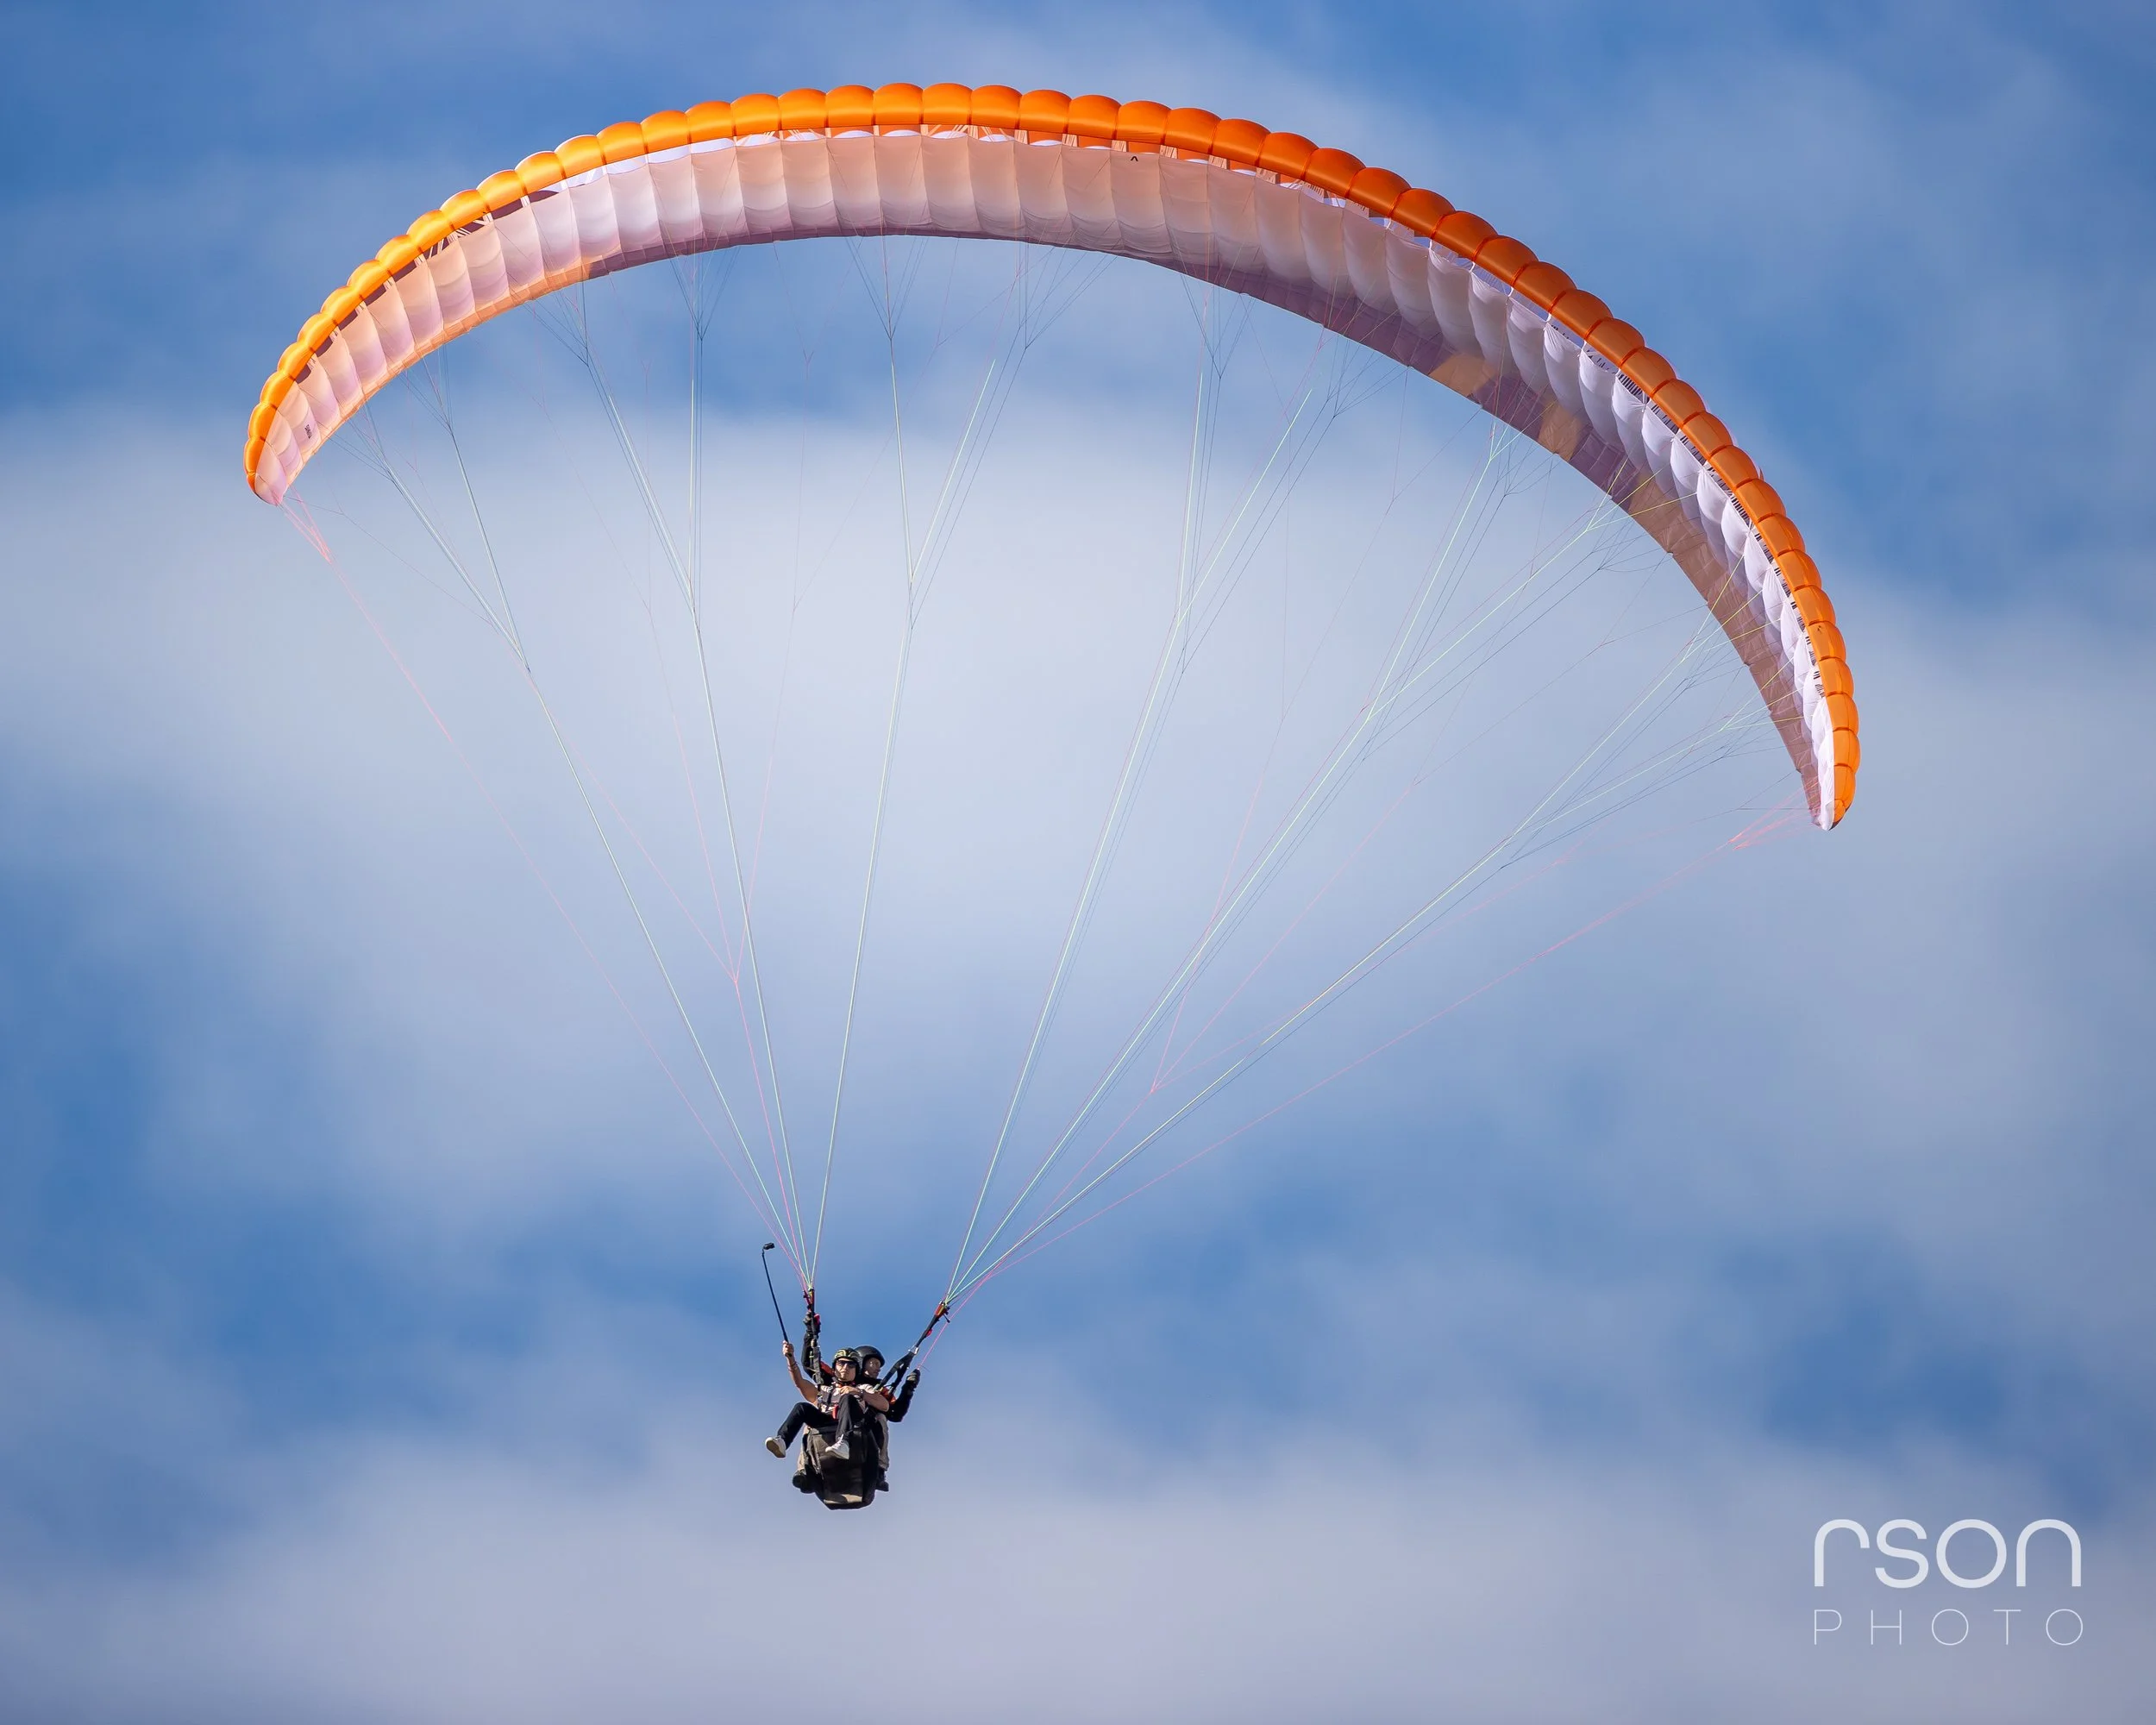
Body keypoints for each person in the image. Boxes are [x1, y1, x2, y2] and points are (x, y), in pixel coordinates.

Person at [765, 1343, 889, 1464]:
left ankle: (843, 1442)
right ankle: (783, 1441)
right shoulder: (825, 1389)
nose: (845, 1368)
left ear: (856, 1370)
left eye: (851, 1365)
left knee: (847, 1398)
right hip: (825, 1419)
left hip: (853, 1421)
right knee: (801, 1407)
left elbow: (885, 1405)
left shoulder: (863, 1388)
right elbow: (800, 1383)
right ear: (835, 1367)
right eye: (841, 1363)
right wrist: (790, 1358)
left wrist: (858, 1392)